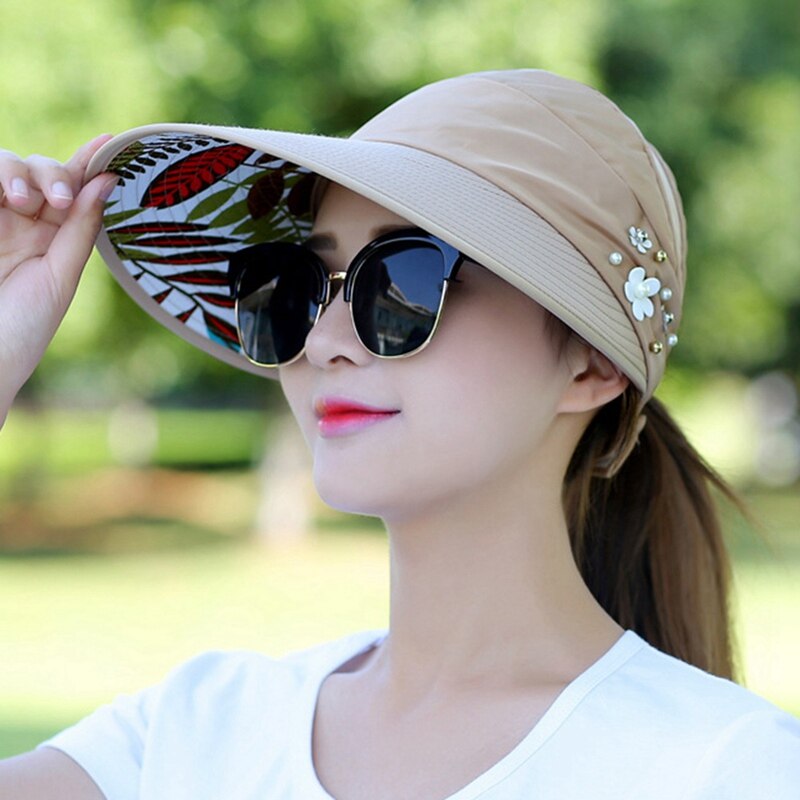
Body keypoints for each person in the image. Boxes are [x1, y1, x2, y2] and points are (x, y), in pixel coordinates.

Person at [0, 69, 797, 798]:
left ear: (591, 365)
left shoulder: (724, 769)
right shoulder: (191, 731)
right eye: (297, 286)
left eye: (401, 280)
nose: (324, 340)